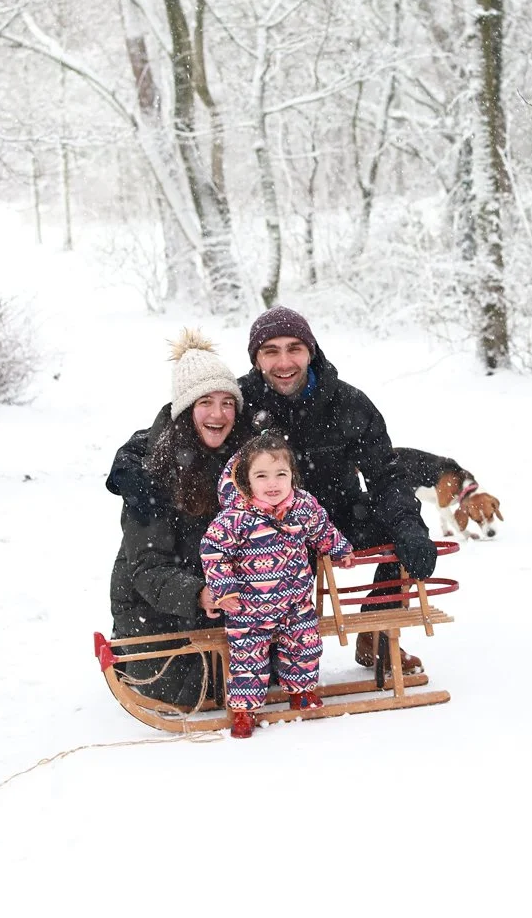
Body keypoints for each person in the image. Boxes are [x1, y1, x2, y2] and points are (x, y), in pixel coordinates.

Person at [237, 306, 438, 673]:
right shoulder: (238, 402)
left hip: (339, 516)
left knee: (398, 527)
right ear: (256, 359)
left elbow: (386, 474)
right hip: (267, 527)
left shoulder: (348, 402)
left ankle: (377, 631)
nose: (284, 362)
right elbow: (184, 424)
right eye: (271, 351)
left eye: (294, 348)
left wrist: (410, 528)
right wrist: (131, 462)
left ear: (310, 351)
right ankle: (270, 647)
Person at [105, 328, 245, 709]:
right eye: (205, 402)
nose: (218, 414)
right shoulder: (150, 474)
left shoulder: (243, 463)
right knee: (200, 685)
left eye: (227, 403)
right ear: (184, 410)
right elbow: (147, 569)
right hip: (157, 620)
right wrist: (198, 593)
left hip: (219, 607)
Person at [200, 430, 354, 739]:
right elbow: (214, 552)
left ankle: (301, 691)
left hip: (295, 601)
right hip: (248, 607)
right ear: (246, 480)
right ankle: (244, 710)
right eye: (262, 476)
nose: (273, 484)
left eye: (280, 474)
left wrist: (340, 548)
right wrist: (224, 590)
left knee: (305, 644)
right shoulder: (235, 518)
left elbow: (322, 529)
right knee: (247, 657)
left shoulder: (302, 507)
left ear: (292, 475)